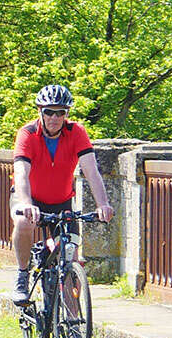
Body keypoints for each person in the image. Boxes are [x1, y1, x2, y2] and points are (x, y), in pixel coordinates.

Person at [9, 84, 112, 300]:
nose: (54, 118)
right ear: (40, 111)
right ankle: (22, 273)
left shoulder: (76, 132)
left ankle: (73, 325)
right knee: (23, 222)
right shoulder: (27, 134)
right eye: (49, 112)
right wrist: (26, 202)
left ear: (66, 114)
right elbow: (21, 172)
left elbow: (91, 170)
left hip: (62, 202)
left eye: (60, 112)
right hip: (30, 198)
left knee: (71, 260)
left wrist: (103, 204)